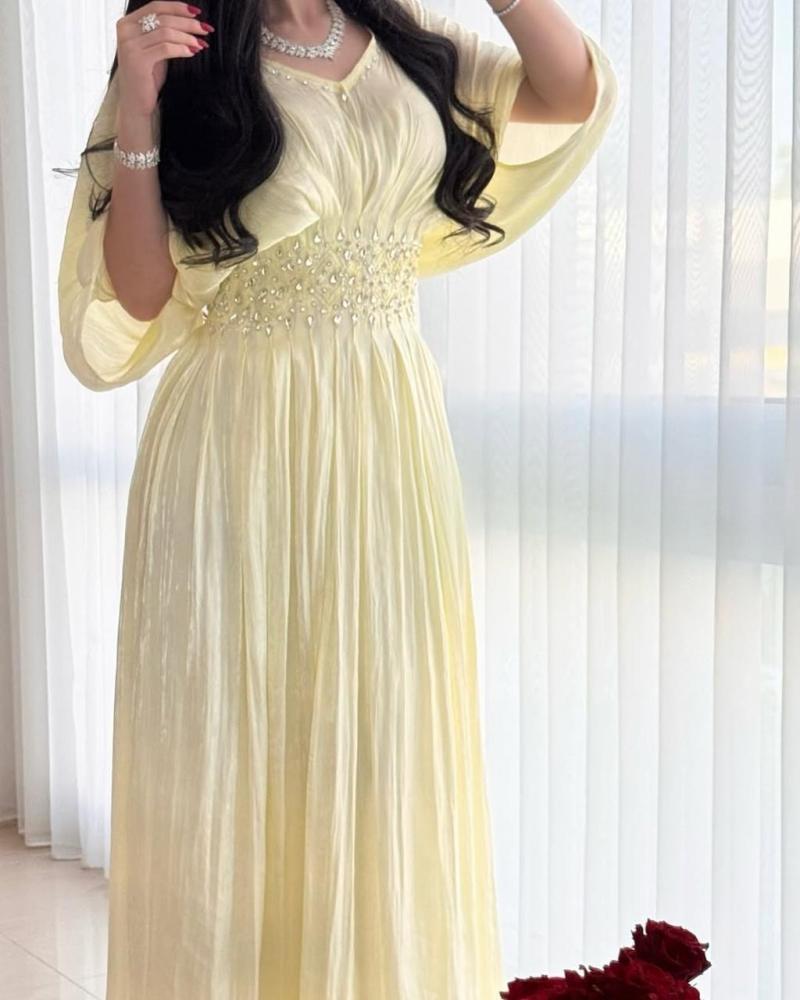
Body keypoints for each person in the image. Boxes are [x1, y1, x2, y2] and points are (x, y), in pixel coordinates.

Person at [57, 1, 617, 996]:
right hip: (235, 443)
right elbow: (140, 294)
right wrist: (137, 106)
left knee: (385, 738)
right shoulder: (185, 53)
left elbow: (566, 90)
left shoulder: (401, 37)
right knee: (236, 748)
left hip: (387, 434)